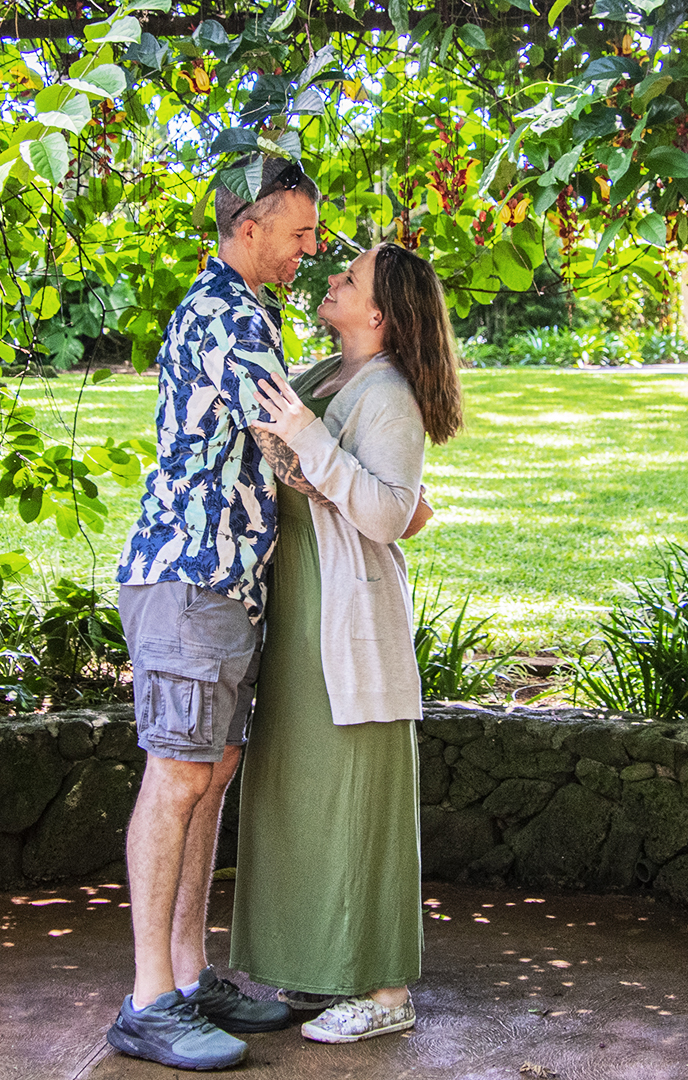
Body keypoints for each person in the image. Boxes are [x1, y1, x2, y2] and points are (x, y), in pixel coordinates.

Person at [105, 156, 326, 1072]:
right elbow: (286, 447)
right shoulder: (228, 315)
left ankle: (192, 975)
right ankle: (149, 998)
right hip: (189, 582)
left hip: (225, 585)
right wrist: (385, 499)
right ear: (252, 229)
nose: (311, 249)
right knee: (178, 776)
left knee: (211, 770)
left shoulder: (250, 311)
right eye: (301, 232)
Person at [228, 241, 463, 1044]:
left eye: (350, 277)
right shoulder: (326, 375)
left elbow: (393, 513)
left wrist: (310, 443)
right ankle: (315, 970)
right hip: (296, 606)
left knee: (357, 795)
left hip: (348, 616)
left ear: (380, 313)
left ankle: (385, 991)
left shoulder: (389, 391)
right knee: (300, 793)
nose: (332, 277)